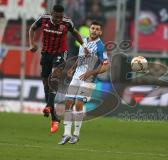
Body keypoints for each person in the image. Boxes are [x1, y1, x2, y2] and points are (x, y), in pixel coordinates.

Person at [29, 4, 89, 133]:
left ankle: (49, 107)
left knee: (55, 76)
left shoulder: (67, 22)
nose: (58, 19)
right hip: (46, 54)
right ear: (51, 14)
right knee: (46, 82)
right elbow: (32, 28)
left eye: (60, 17)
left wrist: (84, 45)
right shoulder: (43, 19)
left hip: (60, 53)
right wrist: (32, 43)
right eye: (56, 17)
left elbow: (76, 33)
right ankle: (54, 117)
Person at [58, 20, 109, 145]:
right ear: (89, 29)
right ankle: (66, 134)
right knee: (68, 102)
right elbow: (81, 57)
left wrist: (90, 73)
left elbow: (106, 66)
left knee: (78, 104)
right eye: (93, 28)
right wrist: (72, 68)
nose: (95, 31)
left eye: (97, 29)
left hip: (89, 80)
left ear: (100, 32)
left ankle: (76, 134)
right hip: (76, 76)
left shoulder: (100, 46)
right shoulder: (83, 41)